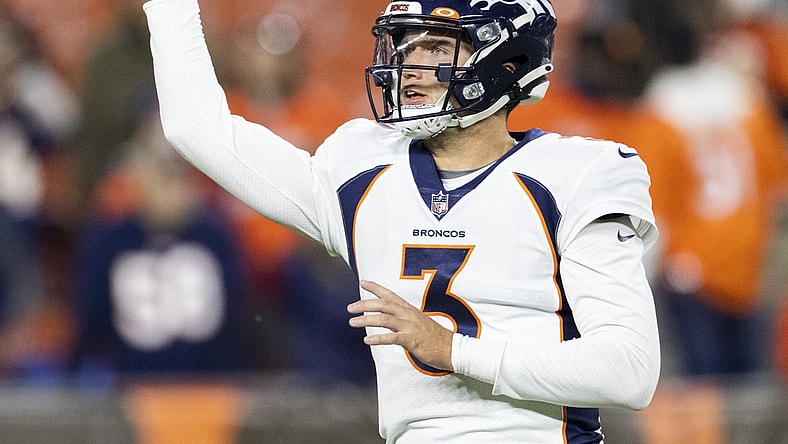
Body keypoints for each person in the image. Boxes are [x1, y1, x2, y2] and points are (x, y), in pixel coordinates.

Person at [144, 0, 661, 442]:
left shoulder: (575, 175)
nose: (410, 65)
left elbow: (629, 371)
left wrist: (453, 351)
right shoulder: (363, 167)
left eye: (437, 48)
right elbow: (197, 128)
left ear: (506, 60)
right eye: (405, 46)